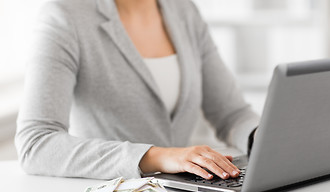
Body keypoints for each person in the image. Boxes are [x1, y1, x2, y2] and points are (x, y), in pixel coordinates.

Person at [15, 0, 259, 180]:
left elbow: (231, 113)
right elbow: (36, 143)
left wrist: (263, 137)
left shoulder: (184, 10)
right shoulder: (65, 16)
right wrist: (158, 156)